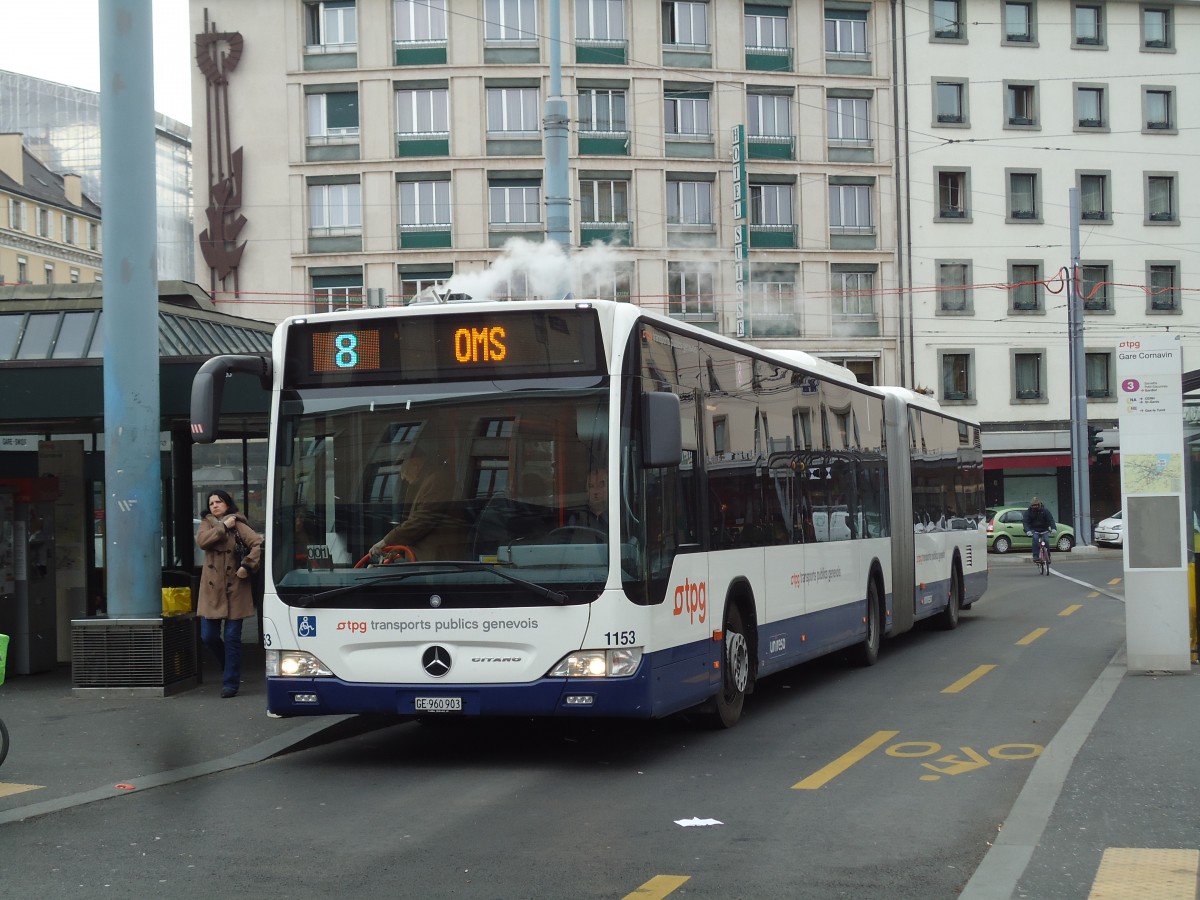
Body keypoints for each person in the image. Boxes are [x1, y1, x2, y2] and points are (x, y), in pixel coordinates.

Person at [196, 490, 263, 698]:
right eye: (212, 503)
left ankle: (230, 683)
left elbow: (257, 544)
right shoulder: (207, 524)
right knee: (208, 636)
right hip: (211, 590)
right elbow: (202, 542)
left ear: (227, 504)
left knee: (233, 637)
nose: (215, 505)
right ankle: (228, 666)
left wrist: (247, 566)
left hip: (235, 588)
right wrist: (223, 527)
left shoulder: (239, 524)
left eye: (219, 502)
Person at [370, 446, 463, 561]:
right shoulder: (427, 482)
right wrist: (395, 550)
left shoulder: (437, 481)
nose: (403, 477)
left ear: (415, 464)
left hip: (435, 561)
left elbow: (422, 520)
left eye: (403, 470)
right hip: (427, 560)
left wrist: (386, 542)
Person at [1022, 497, 1056, 564]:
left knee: (1046, 541)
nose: (1035, 506)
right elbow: (1025, 522)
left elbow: (1050, 520)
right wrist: (1028, 530)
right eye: (1034, 505)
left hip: (1044, 529)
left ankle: (1048, 557)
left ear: (1039, 504)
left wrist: (1053, 528)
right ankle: (1035, 556)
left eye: (1037, 505)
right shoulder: (1028, 512)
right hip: (1034, 530)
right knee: (1035, 539)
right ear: (1031, 505)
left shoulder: (1045, 511)